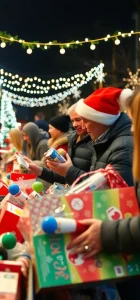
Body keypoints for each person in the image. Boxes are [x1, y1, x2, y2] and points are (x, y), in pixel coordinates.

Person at [66, 88, 138, 300]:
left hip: (125, 239)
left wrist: (105, 232)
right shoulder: (109, 140)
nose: (84, 127)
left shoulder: (124, 145)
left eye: (86, 120)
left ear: (101, 119)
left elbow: (121, 197)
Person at [35, 102, 92, 185]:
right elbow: (64, 176)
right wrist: (38, 169)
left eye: (78, 120)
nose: (74, 124)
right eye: (72, 121)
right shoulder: (73, 139)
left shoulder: (92, 141)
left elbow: (94, 181)